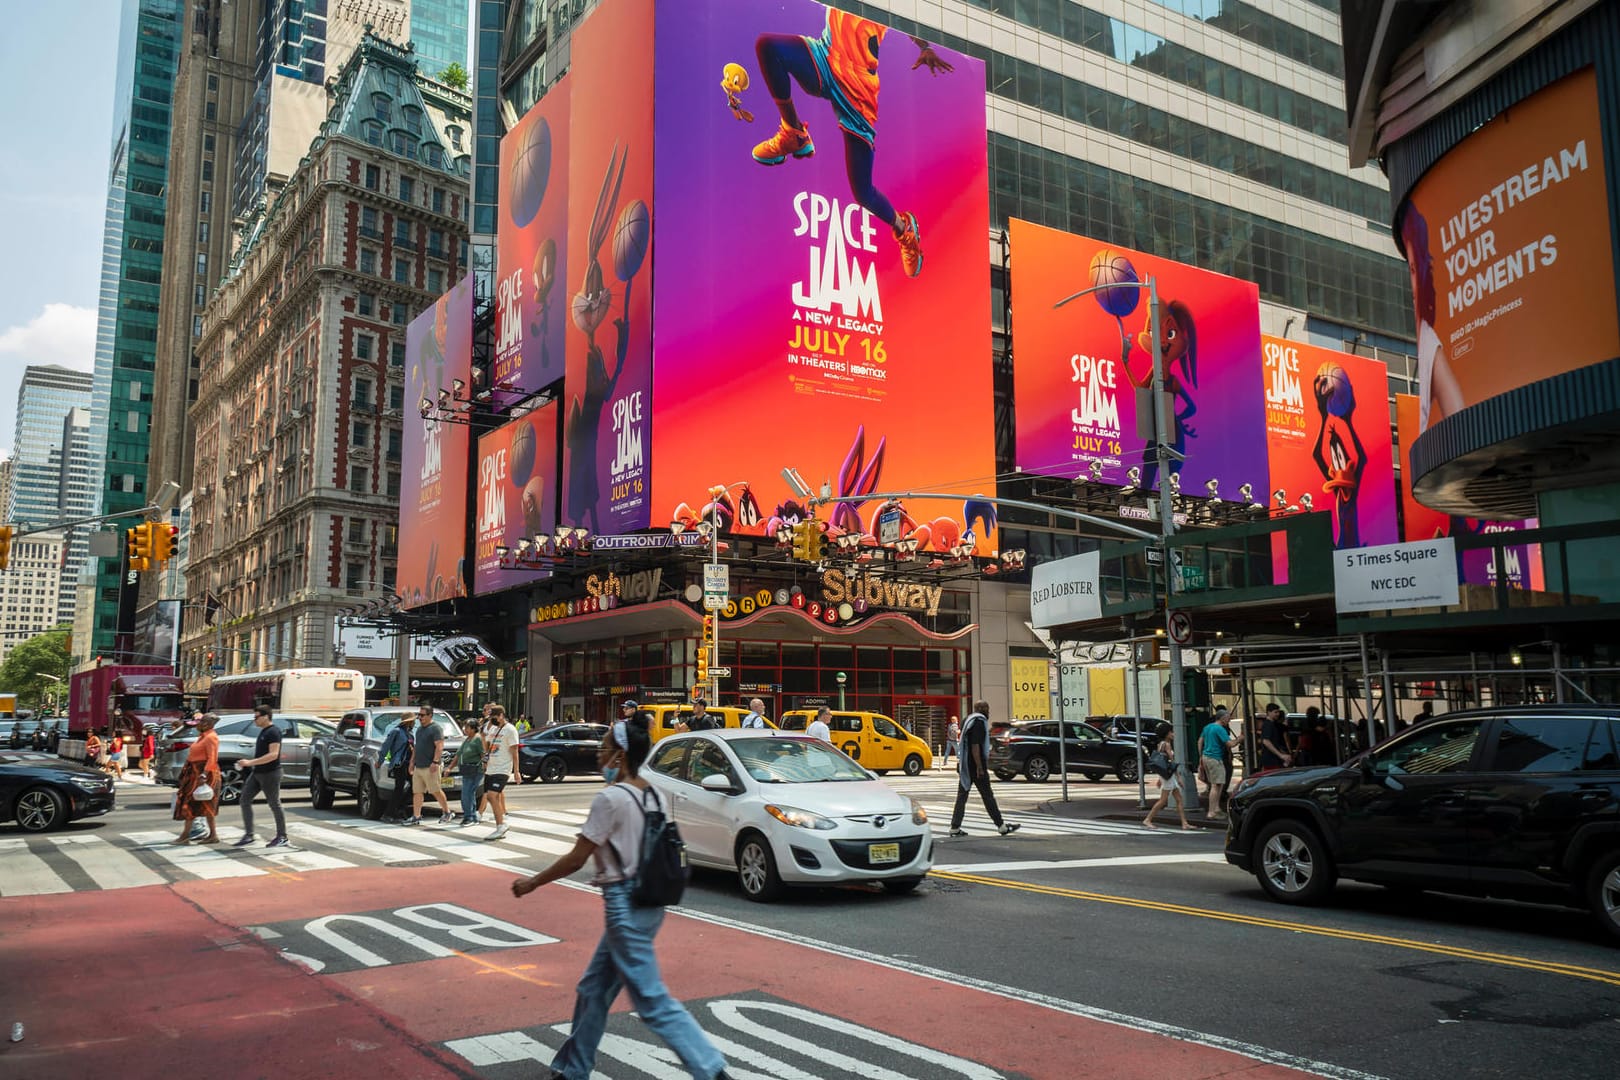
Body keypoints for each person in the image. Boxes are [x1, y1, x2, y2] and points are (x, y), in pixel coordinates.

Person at [510, 713, 734, 1080]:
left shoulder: (610, 798)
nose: (599, 756)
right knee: (593, 988)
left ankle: (710, 1069)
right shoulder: (653, 795)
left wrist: (532, 882)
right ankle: (572, 1068)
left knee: (650, 1000)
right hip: (651, 901)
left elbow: (576, 859)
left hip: (624, 904)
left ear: (620, 756)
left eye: (604, 750)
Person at [751, 11, 953, 280]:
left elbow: (903, 16)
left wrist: (925, 46)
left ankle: (904, 229)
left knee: (862, 191)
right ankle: (794, 133)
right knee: (768, 47)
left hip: (858, 88)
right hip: (825, 56)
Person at [949, 701, 1020, 837]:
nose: (989, 712)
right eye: (987, 709)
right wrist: (980, 767)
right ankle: (1001, 826)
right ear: (982, 709)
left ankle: (955, 827)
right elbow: (975, 746)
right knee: (988, 796)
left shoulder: (966, 720)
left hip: (965, 763)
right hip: (976, 766)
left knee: (962, 796)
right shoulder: (979, 723)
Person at [235, 705, 288, 848]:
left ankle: (282, 836)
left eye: (256, 717)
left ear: (266, 716)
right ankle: (249, 834)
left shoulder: (273, 732)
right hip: (258, 772)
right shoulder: (264, 732)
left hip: (270, 772)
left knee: (274, 804)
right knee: (244, 800)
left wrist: (250, 762)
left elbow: (273, 755)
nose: (255, 720)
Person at [173, 713, 222, 844]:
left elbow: (212, 758)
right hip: (195, 772)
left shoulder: (211, 737)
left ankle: (185, 836)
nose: (198, 725)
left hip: (204, 774)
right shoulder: (202, 737)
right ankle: (212, 835)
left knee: (191, 803)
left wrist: (204, 775)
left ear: (207, 724)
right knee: (204, 805)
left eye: (200, 722)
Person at [408, 705, 456, 826]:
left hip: (430, 766)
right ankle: (416, 816)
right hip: (419, 765)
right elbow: (416, 747)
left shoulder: (435, 729)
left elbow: (439, 746)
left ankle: (446, 812)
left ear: (430, 715)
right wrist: (412, 762)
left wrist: (435, 762)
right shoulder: (419, 730)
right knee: (417, 792)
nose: (420, 718)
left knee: (435, 790)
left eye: (422, 715)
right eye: (419, 715)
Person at [483, 705, 521, 841]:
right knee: (492, 796)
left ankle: (501, 825)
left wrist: (516, 771)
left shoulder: (510, 730)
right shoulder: (493, 728)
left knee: (492, 796)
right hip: (491, 767)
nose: (492, 720)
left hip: (503, 768)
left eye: (494, 718)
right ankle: (501, 820)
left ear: (501, 716)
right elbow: (487, 744)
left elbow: (515, 751)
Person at [1143, 728, 1193, 831]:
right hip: (1169, 776)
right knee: (1163, 800)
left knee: (1179, 799)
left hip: (1166, 775)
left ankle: (1184, 823)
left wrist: (1160, 778)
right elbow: (1171, 763)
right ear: (1166, 734)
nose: (1173, 734)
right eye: (1171, 732)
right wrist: (1178, 777)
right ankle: (1148, 819)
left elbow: (1160, 763)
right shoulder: (1167, 744)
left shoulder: (1161, 744)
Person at [379, 712, 416, 824]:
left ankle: (400, 809)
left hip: (409, 764)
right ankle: (388, 813)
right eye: (413, 721)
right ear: (409, 721)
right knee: (399, 789)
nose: (414, 723)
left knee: (414, 787)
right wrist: (380, 760)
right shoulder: (396, 732)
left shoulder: (410, 733)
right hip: (399, 764)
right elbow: (386, 746)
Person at [1198, 708, 1232, 821]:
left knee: (1219, 784)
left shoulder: (1207, 727)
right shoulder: (1220, 729)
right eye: (1228, 717)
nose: (1229, 720)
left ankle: (1216, 808)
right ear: (1222, 718)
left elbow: (1200, 741)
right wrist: (1241, 738)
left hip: (1206, 756)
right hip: (1215, 758)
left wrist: (1200, 756)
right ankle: (1211, 812)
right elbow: (1230, 744)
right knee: (1215, 785)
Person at [453, 718, 485, 826]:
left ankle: (469, 817)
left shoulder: (478, 739)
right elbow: (458, 754)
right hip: (466, 770)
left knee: (467, 793)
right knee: (468, 793)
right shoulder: (467, 739)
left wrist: (485, 767)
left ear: (473, 728)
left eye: (467, 727)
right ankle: (471, 816)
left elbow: (483, 755)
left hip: (475, 770)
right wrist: (450, 768)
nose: (464, 729)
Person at [1258, 703, 1292, 773]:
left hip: (1274, 759)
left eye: (1278, 712)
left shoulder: (1271, 724)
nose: (1278, 714)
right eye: (1275, 712)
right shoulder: (1268, 725)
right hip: (1271, 760)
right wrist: (1281, 755)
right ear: (1268, 712)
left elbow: (1273, 742)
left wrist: (1282, 754)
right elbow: (1266, 741)